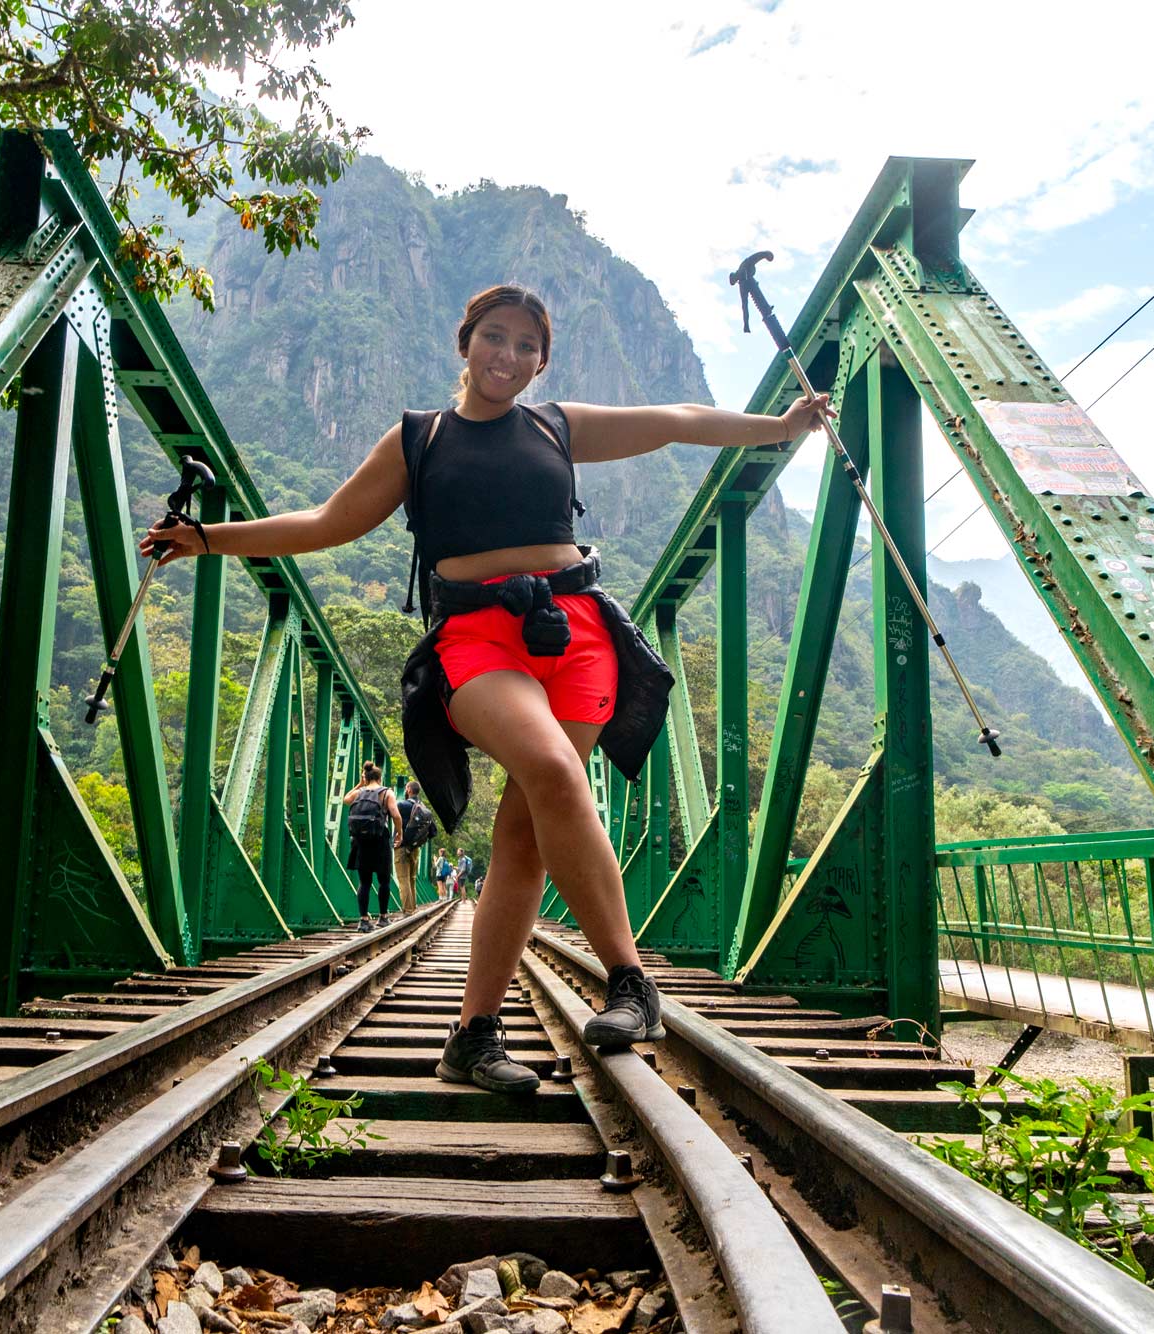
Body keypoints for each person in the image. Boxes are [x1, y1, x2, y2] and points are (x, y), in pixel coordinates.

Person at [143, 282, 832, 1095]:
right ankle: (631, 981)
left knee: (525, 834)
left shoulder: (557, 425)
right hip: (475, 637)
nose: (508, 355)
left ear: (542, 361)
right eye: (494, 337)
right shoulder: (417, 440)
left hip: (575, 635)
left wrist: (780, 428)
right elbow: (328, 523)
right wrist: (207, 539)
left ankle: (472, 1037)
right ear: (464, 342)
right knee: (549, 769)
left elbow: (676, 422)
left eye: (526, 345)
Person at [338, 760, 403, 931]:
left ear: (366, 777)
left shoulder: (359, 792)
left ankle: (364, 920)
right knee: (384, 881)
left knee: (364, 882)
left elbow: (345, 800)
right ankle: (382, 917)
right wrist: (400, 833)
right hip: (380, 840)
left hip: (361, 842)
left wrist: (360, 784)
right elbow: (395, 815)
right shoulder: (386, 792)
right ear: (380, 778)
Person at [393, 778, 432, 912]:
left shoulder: (402, 805)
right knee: (412, 879)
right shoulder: (424, 808)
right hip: (415, 848)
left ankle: (408, 910)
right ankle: (413, 908)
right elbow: (432, 831)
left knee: (403, 879)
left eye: (406, 788)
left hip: (402, 847)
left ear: (409, 790)